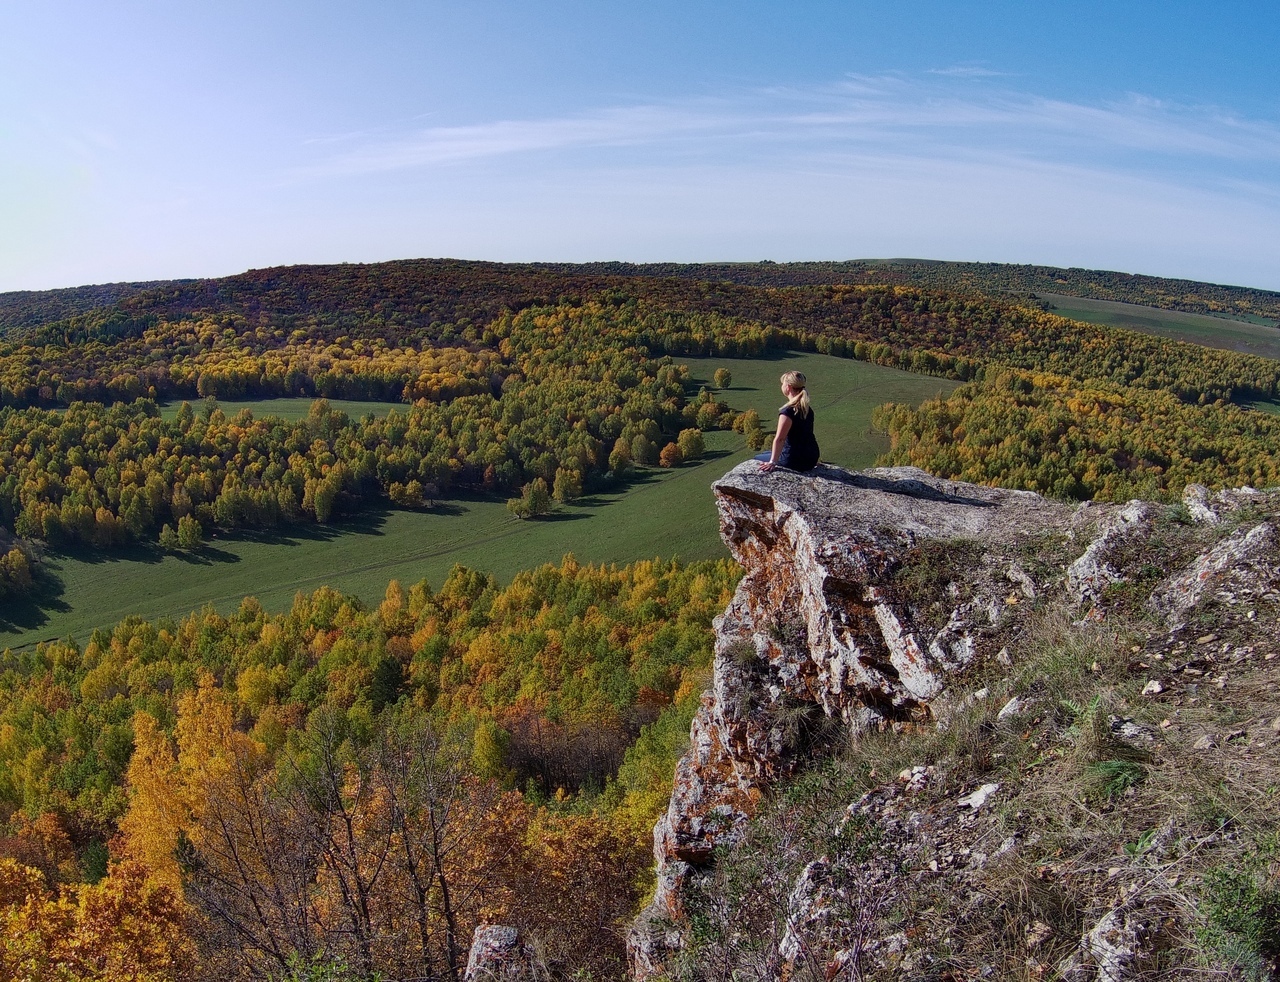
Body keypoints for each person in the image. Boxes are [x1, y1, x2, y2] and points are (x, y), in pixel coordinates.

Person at [757, 370, 820, 473]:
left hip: (793, 460)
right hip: (811, 458)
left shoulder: (787, 412)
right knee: (766, 453)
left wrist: (772, 462)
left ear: (788, 387)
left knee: (757, 457)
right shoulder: (807, 409)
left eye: (783, 384)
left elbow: (780, 439)